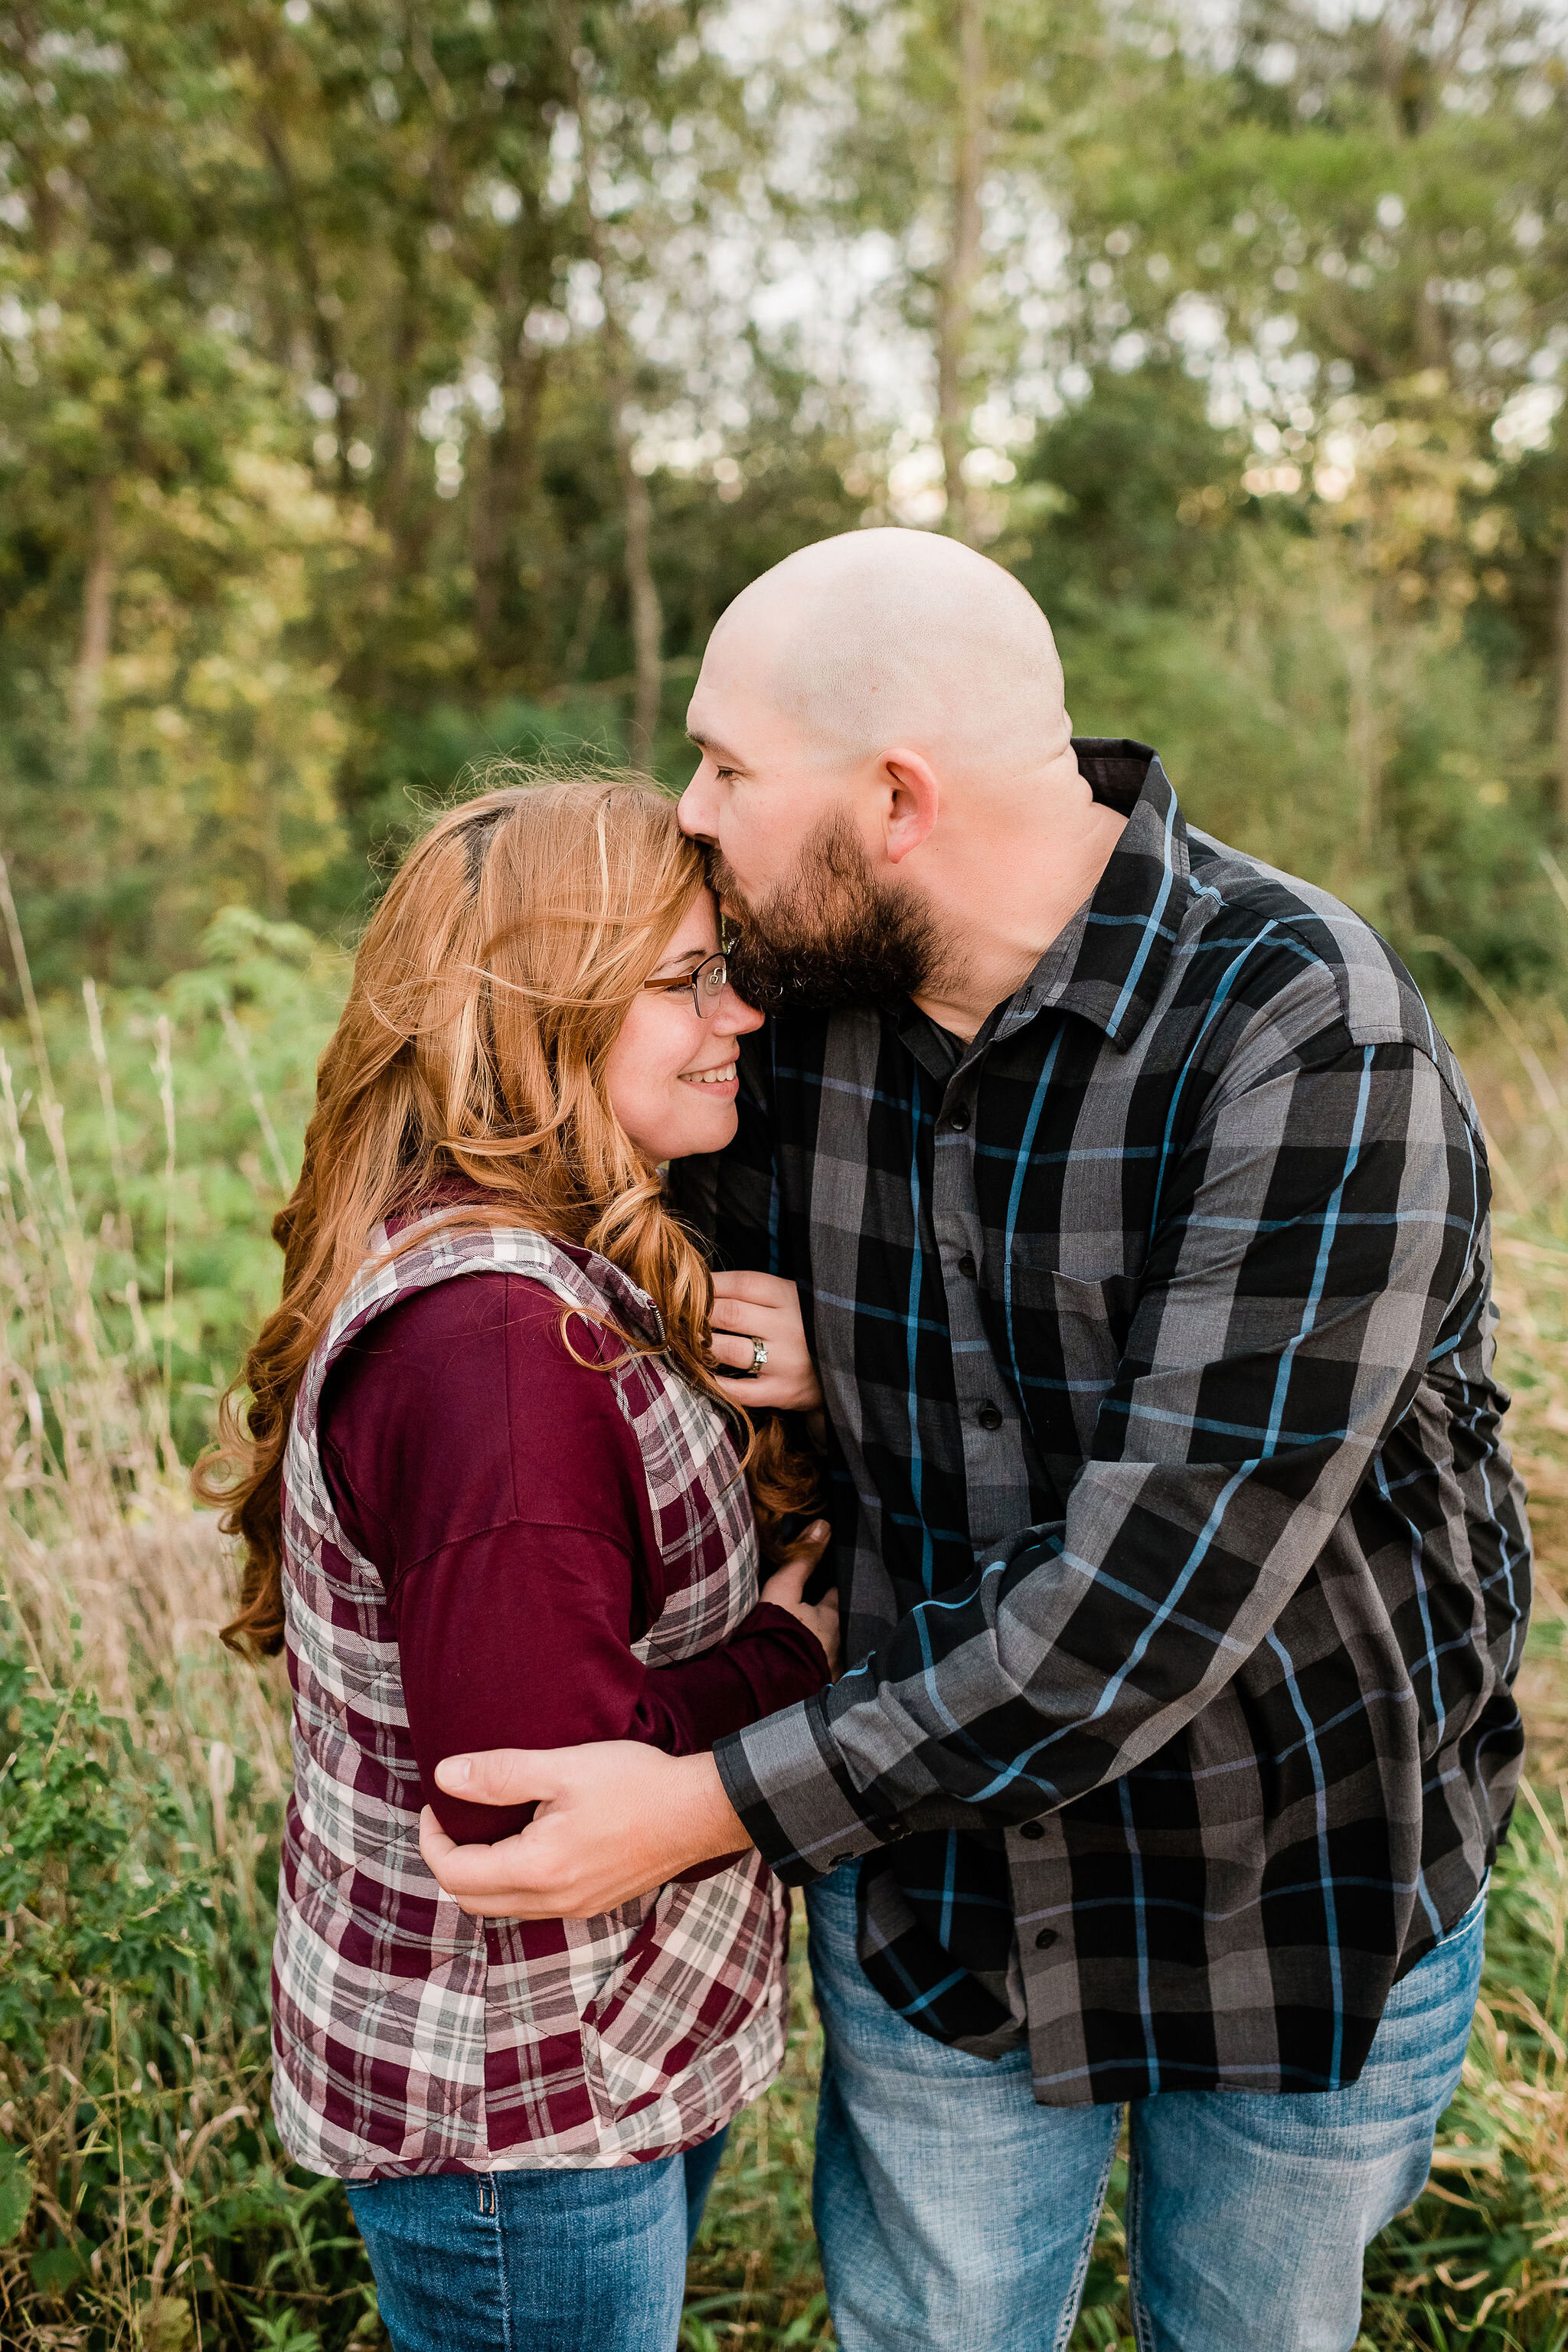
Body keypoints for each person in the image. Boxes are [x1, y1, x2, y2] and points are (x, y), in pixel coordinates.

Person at [418, 531, 1530, 2352]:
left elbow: (1146, 1602)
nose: (690, 815)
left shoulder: (1307, 1037)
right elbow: (564, 1153)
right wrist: (721, 1308)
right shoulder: (794, 1005)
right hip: (947, 1893)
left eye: (725, 766)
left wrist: (694, 1809)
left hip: (1292, 1873)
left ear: (895, 802)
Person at [200, 776, 840, 2352]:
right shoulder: (495, 1343)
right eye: (685, 978)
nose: (738, 1013)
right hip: (522, 2114)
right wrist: (791, 1652)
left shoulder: (539, 1267)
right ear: (538, 1010)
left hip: (580, 2076)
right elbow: (515, 1791)